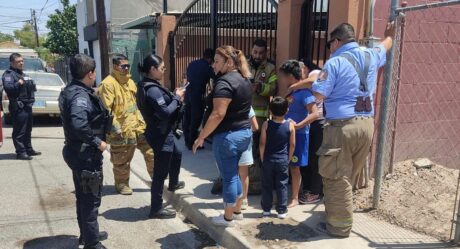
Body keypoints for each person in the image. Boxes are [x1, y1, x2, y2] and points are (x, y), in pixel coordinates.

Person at [299, 23, 394, 237]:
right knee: (347, 176)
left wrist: (312, 83)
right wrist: (390, 35)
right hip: (366, 125)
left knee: (336, 177)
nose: (329, 47)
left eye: (329, 43)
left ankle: (339, 227)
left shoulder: (334, 63)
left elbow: (320, 95)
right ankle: (338, 215)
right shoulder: (371, 54)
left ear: (337, 41)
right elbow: (385, 45)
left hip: (342, 127)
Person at [193, 45, 252, 227]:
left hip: (228, 138)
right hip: (245, 134)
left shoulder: (225, 82)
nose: (213, 65)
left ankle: (227, 218)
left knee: (229, 178)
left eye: (217, 62)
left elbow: (217, 114)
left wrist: (201, 136)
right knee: (235, 175)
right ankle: (237, 211)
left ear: (228, 62)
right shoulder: (245, 79)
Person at [59, 54, 110, 249]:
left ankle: (88, 235)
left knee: (83, 196)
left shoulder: (71, 90)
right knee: (90, 199)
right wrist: (99, 142)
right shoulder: (80, 96)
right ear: (90, 74)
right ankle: (92, 243)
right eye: (95, 72)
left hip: (77, 152)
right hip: (86, 155)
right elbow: (79, 125)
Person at [137, 54, 185, 219]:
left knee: (177, 154)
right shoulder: (152, 90)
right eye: (162, 68)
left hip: (159, 132)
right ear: (152, 69)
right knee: (159, 174)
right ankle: (156, 209)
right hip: (160, 134)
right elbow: (165, 112)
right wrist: (177, 98)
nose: (164, 71)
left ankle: (173, 183)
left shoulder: (147, 85)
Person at [97, 54, 154, 195]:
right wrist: (115, 128)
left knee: (151, 151)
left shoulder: (130, 82)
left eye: (128, 66)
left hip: (137, 126)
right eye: (124, 66)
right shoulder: (108, 84)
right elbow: (106, 109)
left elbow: (136, 103)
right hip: (121, 130)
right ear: (115, 66)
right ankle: (122, 184)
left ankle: (157, 177)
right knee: (121, 159)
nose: (127, 68)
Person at [279, 60, 318, 208]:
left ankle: (294, 197)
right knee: (286, 165)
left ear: (290, 76)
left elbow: (314, 114)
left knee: (295, 167)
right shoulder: (291, 92)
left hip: (299, 135)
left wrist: (299, 125)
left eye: (283, 76)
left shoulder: (305, 93)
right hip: (286, 134)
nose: (281, 79)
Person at [291, 60, 325, 204]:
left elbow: (314, 80)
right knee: (306, 158)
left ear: (305, 68)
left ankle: (315, 192)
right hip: (309, 124)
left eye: (300, 69)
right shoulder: (301, 87)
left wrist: (293, 86)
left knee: (314, 158)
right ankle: (307, 188)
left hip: (318, 123)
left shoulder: (315, 73)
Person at [247, 39, 278, 194]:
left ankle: (257, 182)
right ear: (251, 51)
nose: (257, 55)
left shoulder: (271, 68)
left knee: (259, 152)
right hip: (243, 118)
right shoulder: (243, 65)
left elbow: (273, 89)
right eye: (255, 52)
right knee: (246, 151)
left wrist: (260, 87)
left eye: (260, 53)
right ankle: (247, 180)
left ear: (266, 52)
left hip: (260, 120)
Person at [259, 97, 295, 219]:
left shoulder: (266, 124)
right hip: (283, 160)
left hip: (268, 159)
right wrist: (288, 158)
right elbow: (292, 144)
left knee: (267, 184)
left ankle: (266, 210)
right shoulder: (290, 126)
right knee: (282, 185)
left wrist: (262, 157)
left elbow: (262, 143)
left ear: (270, 111)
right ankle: (282, 210)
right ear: (287, 110)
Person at [2, 53, 41, 160]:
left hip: (27, 105)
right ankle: (21, 152)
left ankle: (28, 149)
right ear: (12, 63)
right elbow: (8, 88)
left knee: (28, 129)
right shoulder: (9, 74)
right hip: (18, 106)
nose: (21, 63)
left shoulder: (22, 74)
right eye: (19, 61)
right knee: (19, 131)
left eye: (22, 61)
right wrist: (18, 83)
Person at [183, 48, 215, 150]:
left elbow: (187, 76)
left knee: (187, 117)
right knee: (195, 119)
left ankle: (187, 140)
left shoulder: (192, 63)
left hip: (188, 93)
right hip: (197, 95)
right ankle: (192, 143)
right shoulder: (207, 67)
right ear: (210, 58)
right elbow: (215, 77)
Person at [238, 106, 258, 210]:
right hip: (244, 139)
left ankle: (232, 199)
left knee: (231, 173)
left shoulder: (226, 102)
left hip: (228, 139)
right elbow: (255, 126)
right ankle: (243, 200)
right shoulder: (247, 106)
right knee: (244, 173)